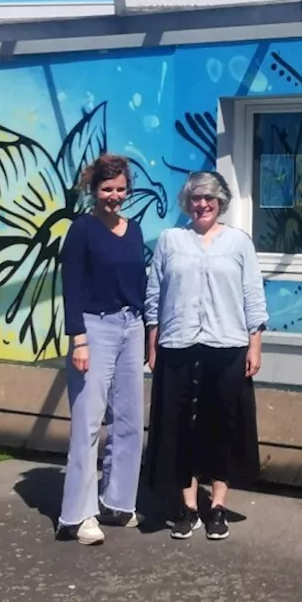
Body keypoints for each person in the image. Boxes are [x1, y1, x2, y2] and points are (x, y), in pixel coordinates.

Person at [144, 170, 267, 540]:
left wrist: (255, 344)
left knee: (222, 425)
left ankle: (216, 506)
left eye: (209, 198)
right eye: (196, 198)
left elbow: (252, 295)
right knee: (179, 424)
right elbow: (155, 294)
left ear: (220, 202)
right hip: (178, 344)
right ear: (187, 202)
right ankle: (187, 506)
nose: (202, 204)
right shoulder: (170, 240)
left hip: (227, 345)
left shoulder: (238, 242)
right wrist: (153, 340)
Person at [55, 154, 147, 545]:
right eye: (107, 189)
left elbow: (141, 284)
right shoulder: (82, 230)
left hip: (132, 326)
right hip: (94, 328)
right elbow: (71, 287)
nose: (114, 196)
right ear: (94, 191)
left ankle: (117, 502)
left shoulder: (137, 230)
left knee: (128, 421)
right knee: (88, 423)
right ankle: (79, 515)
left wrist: (147, 331)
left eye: (120, 189)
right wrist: (78, 338)